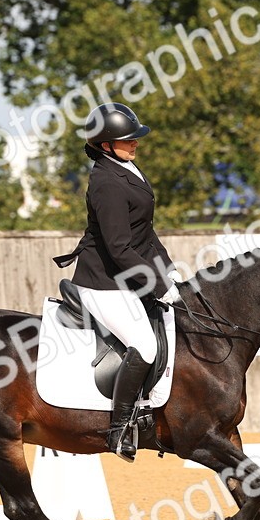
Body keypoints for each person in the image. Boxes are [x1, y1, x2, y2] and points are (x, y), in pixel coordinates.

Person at [53, 103, 182, 461]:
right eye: (127, 139)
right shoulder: (106, 182)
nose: (135, 143)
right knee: (146, 346)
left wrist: (168, 270)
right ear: (106, 144)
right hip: (103, 283)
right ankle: (119, 428)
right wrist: (158, 286)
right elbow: (119, 247)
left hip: (126, 277)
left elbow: (145, 233)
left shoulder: (127, 168)